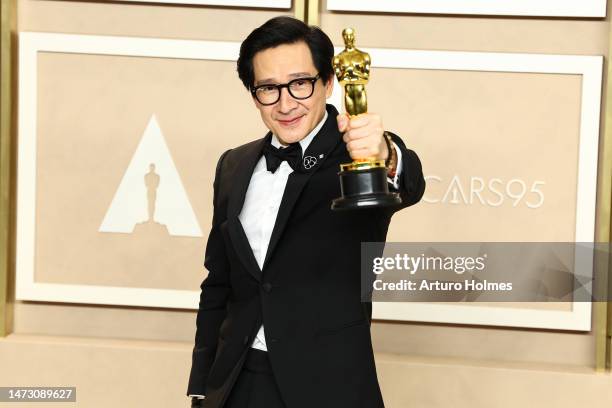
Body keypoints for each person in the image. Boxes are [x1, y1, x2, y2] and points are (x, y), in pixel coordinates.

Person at [186, 16, 425, 408]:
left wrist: (384, 154)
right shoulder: (233, 164)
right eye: (268, 88)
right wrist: (201, 385)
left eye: (300, 83)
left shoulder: (357, 154)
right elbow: (218, 283)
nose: (285, 103)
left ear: (328, 82)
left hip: (329, 384)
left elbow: (408, 181)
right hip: (235, 384)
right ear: (253, 93)